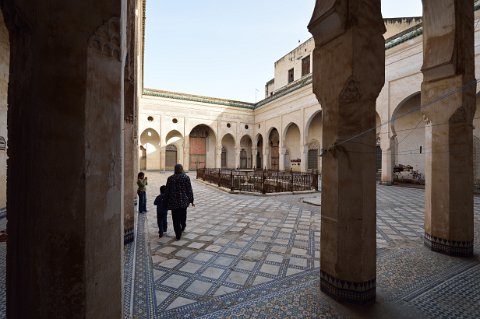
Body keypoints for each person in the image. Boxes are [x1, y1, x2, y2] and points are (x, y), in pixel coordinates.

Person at [165, 164, 194, 240]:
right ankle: (183, 226)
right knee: (183, 215)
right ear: (181, 169)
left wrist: (166, 201)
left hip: (174, 202)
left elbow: (167, 191)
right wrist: (191, 200)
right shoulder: (186, 177)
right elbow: (189, 190)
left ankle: (178, 234)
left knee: (175, 218)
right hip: (184, 201)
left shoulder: (170, 178)